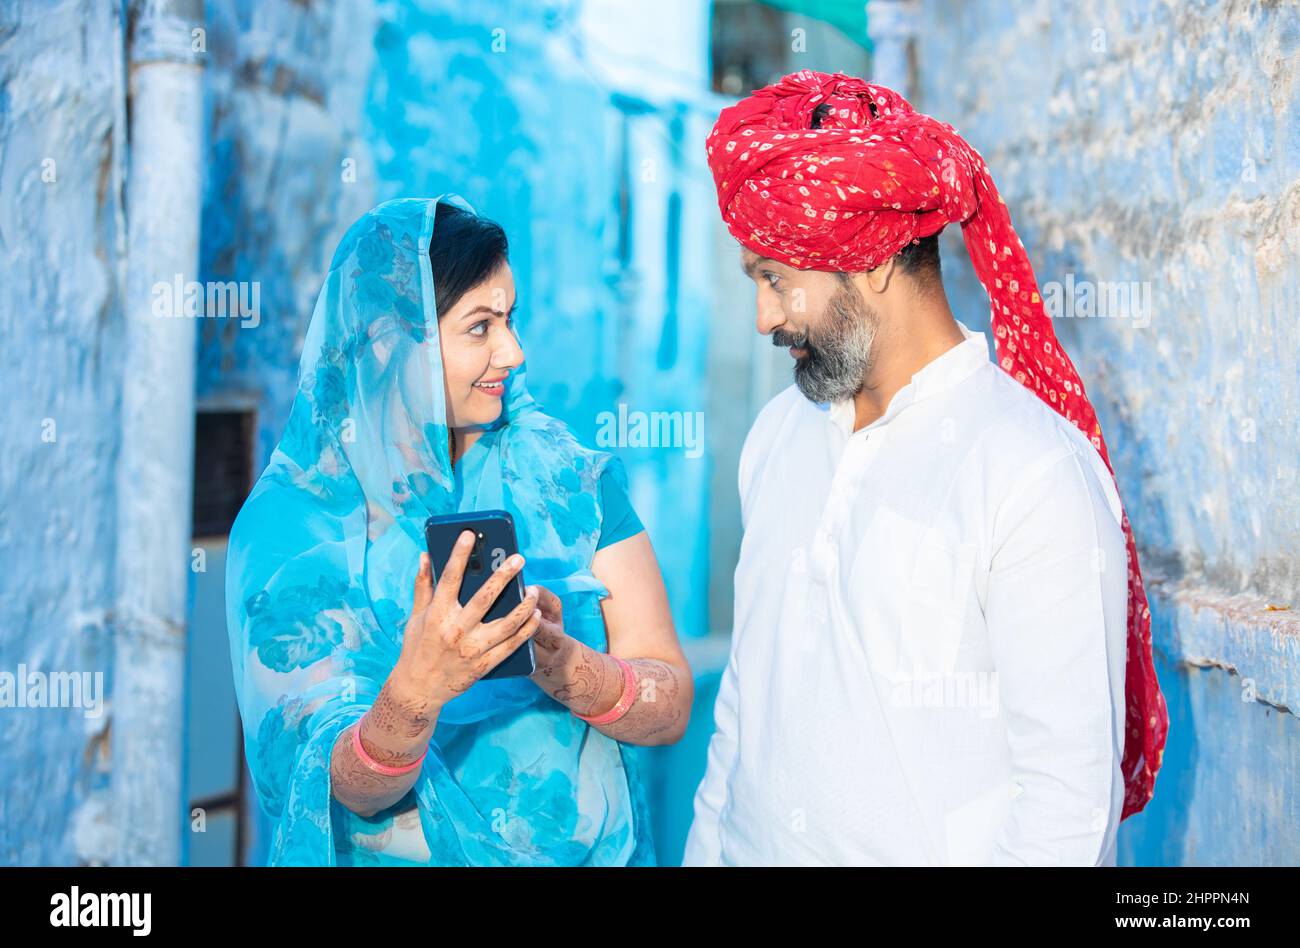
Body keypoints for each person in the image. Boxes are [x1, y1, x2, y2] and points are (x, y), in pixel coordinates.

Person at [683, 70, 1168, 865]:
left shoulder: (1033, 473)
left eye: (776, 280)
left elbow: (1066, 811)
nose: (765, 316)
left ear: (871, 261)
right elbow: (745, 708)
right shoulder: (779, 434)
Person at [226, 195, 691, 865]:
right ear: (392, 340)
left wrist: (564, 667)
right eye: (480, 327)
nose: (514, 351)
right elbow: (335, 787)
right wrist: (418, 689)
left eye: (510, 319)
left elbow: (669, 706)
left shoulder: (566, 482)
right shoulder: (294, 526)